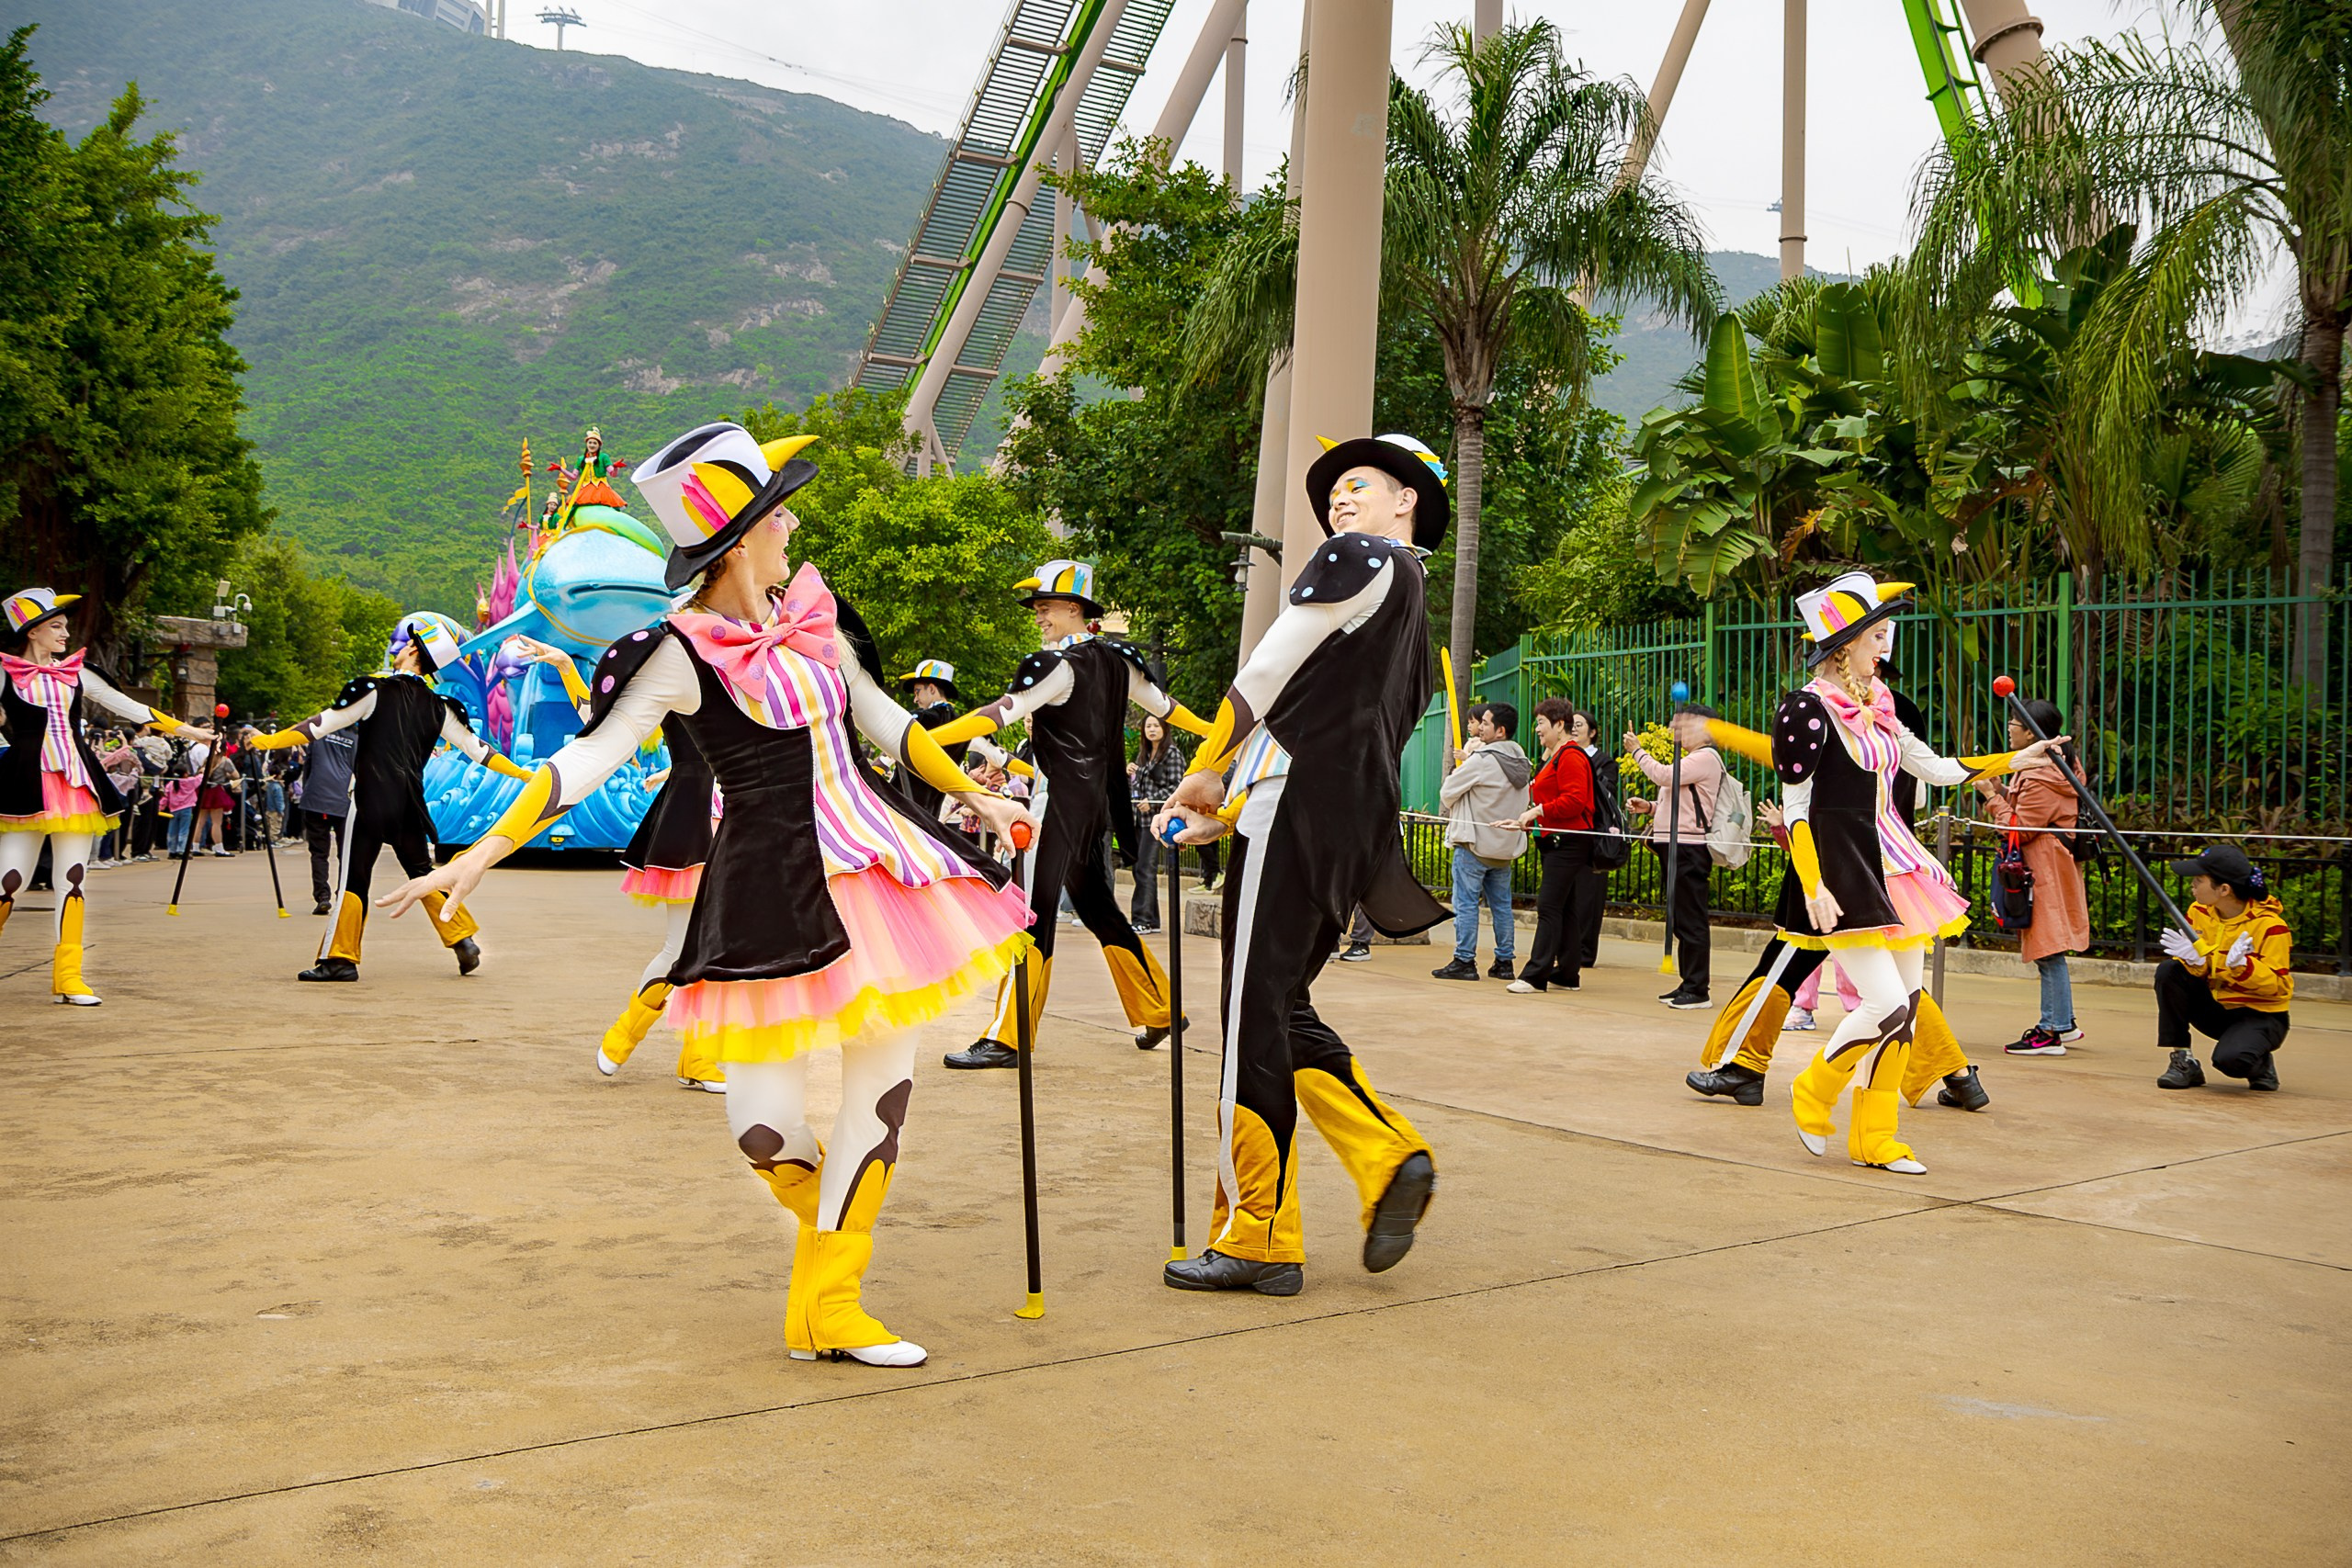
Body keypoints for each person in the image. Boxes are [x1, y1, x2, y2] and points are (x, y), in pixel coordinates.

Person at [379, 421, 1035, 1368]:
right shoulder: (675, 654)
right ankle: (828, 1251)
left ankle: (832, 1306)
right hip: (766, 891)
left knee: (877, 1099)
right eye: (778, 512)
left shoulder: (817, 621)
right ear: (740, 538)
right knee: (761, 1128)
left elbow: (888, 725)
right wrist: (477, 855)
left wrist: (978, 793)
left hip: (881, 876)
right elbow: (581, 762)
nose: (793, 524)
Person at [1155, 432, 1453, 1296]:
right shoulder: (1413, 601)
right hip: (1344, 826)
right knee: (1282, 1006)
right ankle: (1387, 1153)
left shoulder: (1358, 557)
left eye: (1359, 483)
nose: (1339, 500)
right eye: (1333, 493)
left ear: (1409, 501)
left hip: (1295, 815)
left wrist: (1208, 770)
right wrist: (1237, 813)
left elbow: (1266, 672)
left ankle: (1258, 1233)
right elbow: (1335, 730)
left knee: (1250, 1014)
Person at [1770, 572, 2062, 1172]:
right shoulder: (1806, 710)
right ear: (1843, 644)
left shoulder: (1880, 708)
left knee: (1903, 1006)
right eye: (1876, 634)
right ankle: (1814, 1089)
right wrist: (1813, 883)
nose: (1886, 645)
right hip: (1841, 872)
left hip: (1896, 865)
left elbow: (1933, 768)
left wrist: (2015, 757)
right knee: (1883, 1002)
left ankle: (1876, 1138)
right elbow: (1797, 809)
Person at [929, 559, 1211, 1065]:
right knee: (1100, 909)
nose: (1038, 615)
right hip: (1093, 806)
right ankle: (1161, 1008)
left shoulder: (1055, 665)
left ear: (1075, 608)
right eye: (1036, 608)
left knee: (1030, 915)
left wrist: (918, 739)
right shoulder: (1119, 660)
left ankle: (1007, 1036)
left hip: (1057, 806)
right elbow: (1168, 708)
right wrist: (1218, 733)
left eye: (1046, 606)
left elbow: (999, 714)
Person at [243, 612, 534, 982]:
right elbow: (481, 751)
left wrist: (267, 741)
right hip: (410, 803)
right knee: (422, 872)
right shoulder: (439, 706)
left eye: (404, 643)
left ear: (413, 649)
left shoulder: (373, 691)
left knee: (353, 878)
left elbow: (318, 726)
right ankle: (462, 939)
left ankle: (340, 960)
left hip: (369, 801)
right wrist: (524, 774)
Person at [2, 587, 213, 1003]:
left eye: (64, 626)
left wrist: (189, 731)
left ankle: (69, 977)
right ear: (32, 633)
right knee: (10, 880)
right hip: (25, 783)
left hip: (77, 784)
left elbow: (128, 706)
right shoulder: (5, 672)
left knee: (73, 880)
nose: (65, 634)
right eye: (56, 627)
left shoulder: (77, 672)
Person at [1975, 698, 2088, 1055]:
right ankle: (2065, 1023)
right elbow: (2029, 812)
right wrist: (2004, 791)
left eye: (2014, 723)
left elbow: (2020, 829)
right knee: (2049, 944)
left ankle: (2050, 1031)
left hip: (2043, 867)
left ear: (2030, 732)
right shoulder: (2053, 765)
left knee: (2048, 947)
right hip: (2052, 862)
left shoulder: (2041, 774)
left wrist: (1992, 797)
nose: (2008, 728)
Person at [2154, 845, 2290, 1091]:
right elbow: (2201, 968)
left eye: (2198, 880)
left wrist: (2244, 967)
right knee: (2169, 971)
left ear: (2224, 889)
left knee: (2230, 1061)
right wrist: (2195, 963)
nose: (2192, 886)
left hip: (2260, 1014)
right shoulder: (2198, 912)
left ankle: (2259, 1062)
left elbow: (2278, 988)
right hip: (2217, 1006)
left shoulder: (2271, 926)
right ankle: (2183, 1059)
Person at [1626, 705, 1722, 1008]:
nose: (1674, 732)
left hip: (1689, 847)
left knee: (1691, 919)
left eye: (1682, 726)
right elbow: (1681, 802)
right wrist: (1651, 808)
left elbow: (1664, 776)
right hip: (1676, 844)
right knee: (1681, 919)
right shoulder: (1693, 760)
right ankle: (1688, 982)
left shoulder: (1706, 758)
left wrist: (1638, 751)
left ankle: (1698, 989)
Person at [1431, 702, 1531, 982]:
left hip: (1474, 845)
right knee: (1501, 906)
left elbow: (1448, 791)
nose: (1480, 727)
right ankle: (1505, 962)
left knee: (1465, 905)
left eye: (1485, 723)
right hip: (1504, 848)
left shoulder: (1483, 759)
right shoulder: (1522, 763)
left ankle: (1464, 960)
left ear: (1500, 730)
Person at [1506, 697, 1599, 994]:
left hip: (1569, 842)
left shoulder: (1571, 756)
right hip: (1558, 840)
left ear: (1560, 725)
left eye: (1541, 723)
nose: (1537, 729)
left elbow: (1574, 800)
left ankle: (1536, 975)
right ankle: (1569, 973)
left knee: (1548, 905)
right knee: (1566, 906)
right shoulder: (1557, 756)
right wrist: (1526, 819)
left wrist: (1537, 811)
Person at [1127, 712, 1188, 934]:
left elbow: (1178, 787)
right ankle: (1150, 920)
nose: (1152, 729)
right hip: (1140, 820)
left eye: (1156, 725)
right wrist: (1130, 773)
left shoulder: (1172, 754)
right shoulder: (1143, 755)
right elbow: (1138, 785)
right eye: (1148, 726)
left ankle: (1141, 919)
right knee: (1139, 869)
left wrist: (1152, 803)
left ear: (1164, 729)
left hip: (1161, 820)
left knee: (1145, 868)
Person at [300, 728, 357, 916]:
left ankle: (322, 896)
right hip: (342, 799)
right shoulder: (356, 738)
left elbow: (308, 765)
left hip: (316, 797)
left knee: (318, 852)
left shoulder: (320, 733)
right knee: (346, 853)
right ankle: (343, 895)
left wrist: (308, 790)